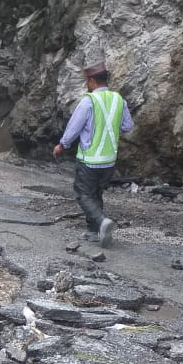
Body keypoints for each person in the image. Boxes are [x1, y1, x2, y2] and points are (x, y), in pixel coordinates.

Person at [52, 61, 134, 249]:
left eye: (86, 82)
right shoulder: (119, 100)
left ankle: (102, 221)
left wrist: (62, 145)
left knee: (83, 194)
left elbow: (74, 127)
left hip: (89, 160)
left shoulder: (89, 101)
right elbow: (128, 126)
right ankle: (93, 232)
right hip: (109, 160)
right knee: (96, 194)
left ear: (91, 80)